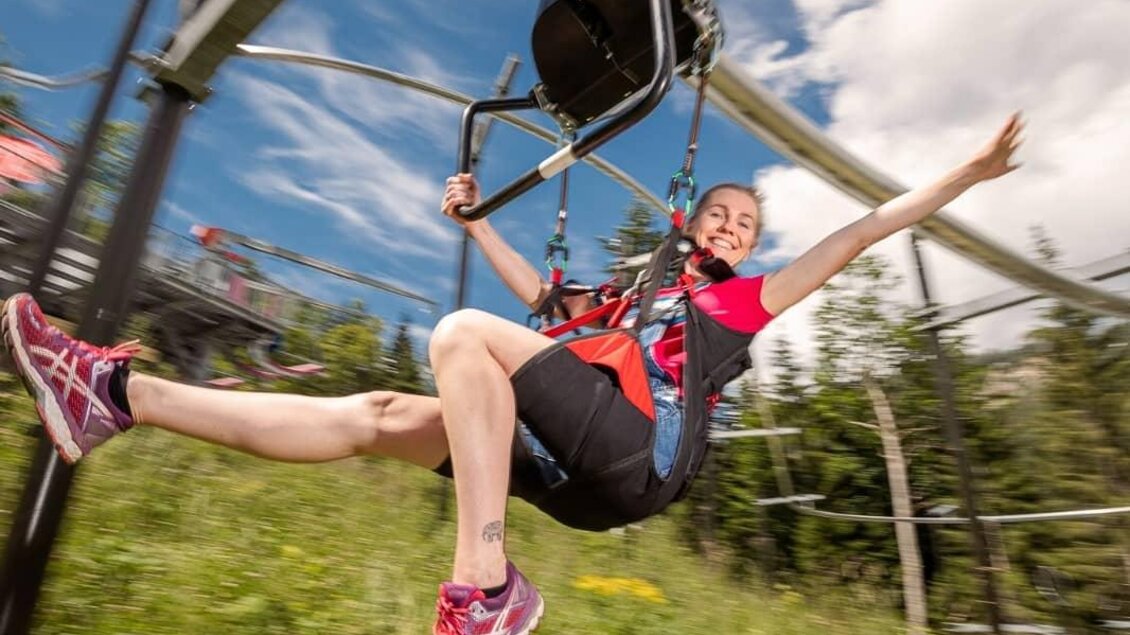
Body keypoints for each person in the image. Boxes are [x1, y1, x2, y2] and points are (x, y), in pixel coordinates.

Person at [1, 114, 1023, 634]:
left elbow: (860, 232)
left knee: (460, 336)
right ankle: (114, 397)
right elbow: (539, 296)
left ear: (751, 248)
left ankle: (483, 586)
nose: (729, 227)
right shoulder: (621, 297)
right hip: (570, 462)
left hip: (636, 456)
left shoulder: (737, 303)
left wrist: (964, 177)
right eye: (717, 214)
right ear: (687, 223)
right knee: (381, 410)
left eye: (744, 224)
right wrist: (476, 221)